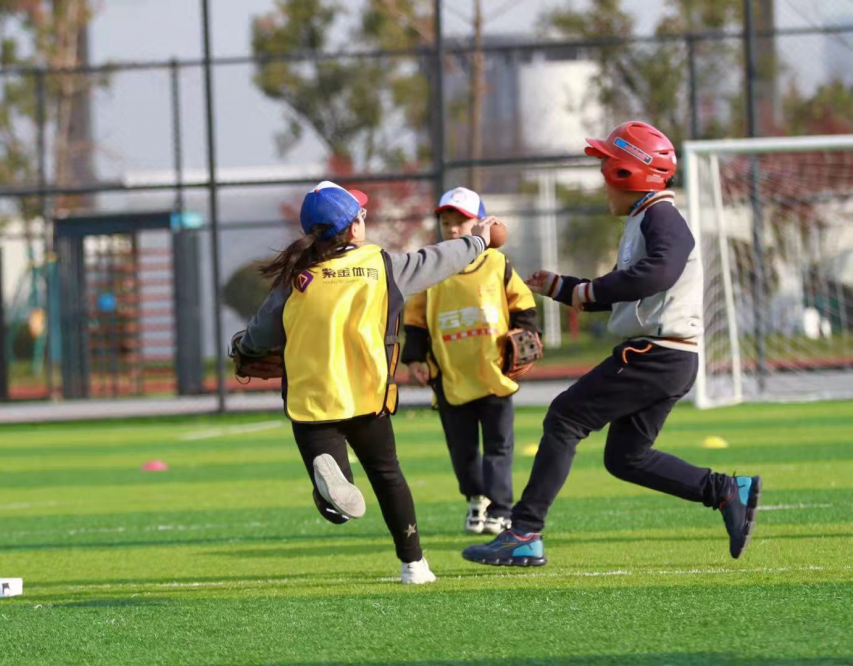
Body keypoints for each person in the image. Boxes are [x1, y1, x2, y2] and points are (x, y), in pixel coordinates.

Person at [462, 121, 761, 568]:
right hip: (669, 357)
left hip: (656, 354)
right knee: (625, 458)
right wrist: (563, 287)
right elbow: (633, 287)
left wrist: (588, 290)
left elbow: (658, 273)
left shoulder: (662, 217)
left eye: (607, 167)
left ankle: (523, 532)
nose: (603, 178)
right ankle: (725, 490)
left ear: (627, 173)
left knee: (564, 417)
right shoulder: (647, 217)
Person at [238, 181, 496, 584]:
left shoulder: (297, 277)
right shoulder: (382, 266)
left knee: (338, 508)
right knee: (388, 474)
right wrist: (478, 242)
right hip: (367, 394)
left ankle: (329, 490)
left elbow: (259, 334)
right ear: (354, 227)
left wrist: (243, 348)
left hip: (312, 400)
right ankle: (414, 565)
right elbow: (437, 259)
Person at [401, 187, 538, 536]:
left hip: (493, 373)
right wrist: (414, 358)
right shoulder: (432, 268)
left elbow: (522, 304)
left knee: (498, 447)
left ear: (480, 224)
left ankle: (501, 509)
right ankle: (477, 499)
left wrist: (527, 333)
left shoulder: (497, 263)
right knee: (462, 450)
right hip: (450, 377)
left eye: (461, 222)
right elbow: (415, 320)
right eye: (446, 222)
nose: (452, 229)